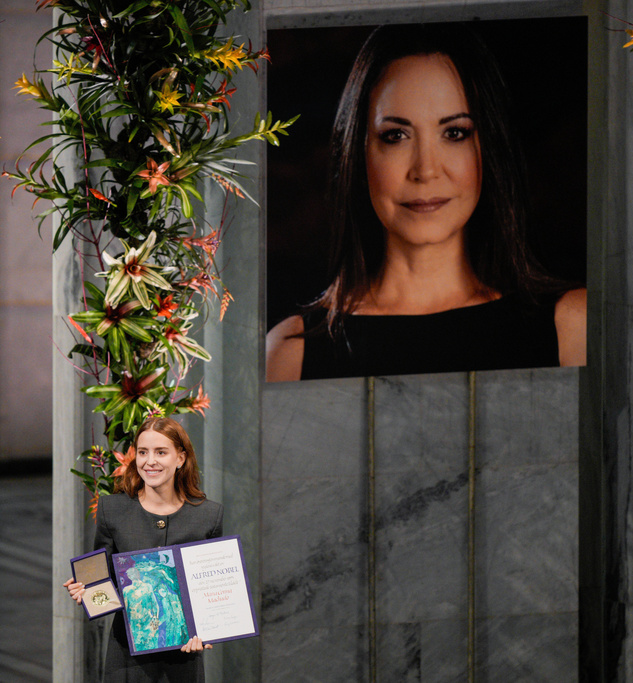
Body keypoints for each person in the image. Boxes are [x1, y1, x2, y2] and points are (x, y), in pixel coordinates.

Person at [266, 23, 587, 381]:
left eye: (454, 133)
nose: (426, 170)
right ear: (358, 154)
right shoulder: (290, 354)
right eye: (396, 136)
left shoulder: (571, 328)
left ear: (488, 148)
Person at [63, 417, 224, 683]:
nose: (150, 461)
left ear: (180, 458)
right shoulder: (112, 510)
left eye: (161, 452)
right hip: (126, 657)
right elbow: (101, 582)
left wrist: (207, 632)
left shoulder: (208, 516)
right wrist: (86, 591)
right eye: (142, 452)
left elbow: (213, 590)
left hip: (183, 657)